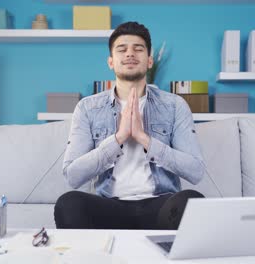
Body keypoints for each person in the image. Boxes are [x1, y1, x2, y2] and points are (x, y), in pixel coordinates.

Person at [54, 21, 206, 230]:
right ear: (111, 62)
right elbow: (72, 176)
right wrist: (119, 138)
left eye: (138, 49)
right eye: (122, 49)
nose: (130, 54)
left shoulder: (174, 105)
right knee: (69, 204)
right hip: (110, 206)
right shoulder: (87, 108)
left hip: (160, 205)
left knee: (192, 201)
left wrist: (145, 139)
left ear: (150, 60)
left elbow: (195, 171)